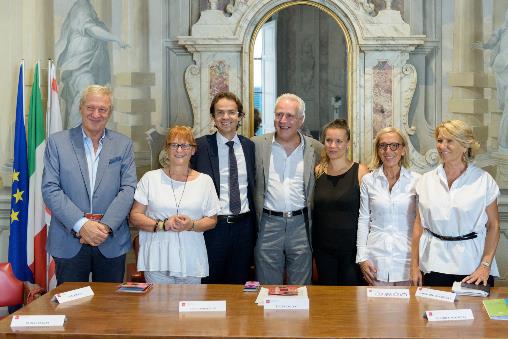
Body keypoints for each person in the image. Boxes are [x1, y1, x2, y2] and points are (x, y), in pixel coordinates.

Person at [42, 85, 136, 284]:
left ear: (109, 113)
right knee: (71, 306)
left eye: (102, 109)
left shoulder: (123, 144)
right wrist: (82, 225)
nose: (96, 114)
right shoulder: (57, 143)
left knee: (109, 309)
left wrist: (105, 228)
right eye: (90, 108)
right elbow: (50, 188)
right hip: (69, 239)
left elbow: (128, 190)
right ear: (81, 108)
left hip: (111, 240)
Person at [410, 120, 500, 287]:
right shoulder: (425, 181)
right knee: (430, 311)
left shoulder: (483, 180)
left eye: (449, 141)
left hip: (473, 266)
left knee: (476, 313)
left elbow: (494, 226)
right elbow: (418, 225)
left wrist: (485, 265)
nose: (442, 146)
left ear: (465, 146)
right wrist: (414, 266)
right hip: (432, 265)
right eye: (439, 140)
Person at [130, 126, 220, 284]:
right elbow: (135, 217)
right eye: (174, 145)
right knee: (157, 308)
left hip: (192, 260)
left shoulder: (205, 181)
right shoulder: (150, 179)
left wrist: (192, 224)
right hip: (157, 260)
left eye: (185, 145)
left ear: (193, 150)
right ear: (166, 149)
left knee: (190, 308)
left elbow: (212, 220)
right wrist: (163, 224)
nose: (179, 150)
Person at [252, 93, 323, 285]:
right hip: (267, 224)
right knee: (267, 287)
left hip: (301, 225)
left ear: (301, 119)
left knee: (301, 287)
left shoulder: (316, 149)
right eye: (279, 114)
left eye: (290, 116)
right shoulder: (256, 145)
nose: (283, 121)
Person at [190, 92, 256, 284]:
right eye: (220, 113)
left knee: (239, 285)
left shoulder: (249, 147)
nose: (226, 117)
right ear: (213, 118)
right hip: (213, 228)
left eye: (231, 112)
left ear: (240, 116)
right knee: (210, 284)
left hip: (244, 228)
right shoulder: (200, 146)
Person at [356, 127, 420, 286]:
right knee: (377, 310)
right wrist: (362, 257)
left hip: (407, 260)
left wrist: (418, 263)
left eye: (394, 146)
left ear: (403, 150)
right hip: (376, 259)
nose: (388, 150)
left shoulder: (417, 181)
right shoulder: (368, 180)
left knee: (408, 310)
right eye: (382, 146)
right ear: (378, 150)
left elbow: (421, 224)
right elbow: (363, 220)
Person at [312, 119, 369, 285]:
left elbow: (368, 214)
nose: (332, 145)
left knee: (351, 302)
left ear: (348, 143)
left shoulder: (360, 171)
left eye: (339, 141)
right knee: (328, 300)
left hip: (351, 250)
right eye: (329, 140)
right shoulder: (317, 171)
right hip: (323, 249)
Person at [56, 0, 128, 128]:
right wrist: (116, 39)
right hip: (79, 65)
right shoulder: (81, 7)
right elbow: (92, 30)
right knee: (85, 96)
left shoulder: (88, 7)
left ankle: (83, 135)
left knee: (88, 99)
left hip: (87, 65)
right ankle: (74, 135)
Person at [473, 9, 508, 151]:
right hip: (504, 68)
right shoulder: (503, 31)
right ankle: (504, 144)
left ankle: (504, 144)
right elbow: (493, 39)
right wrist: (485, 46)